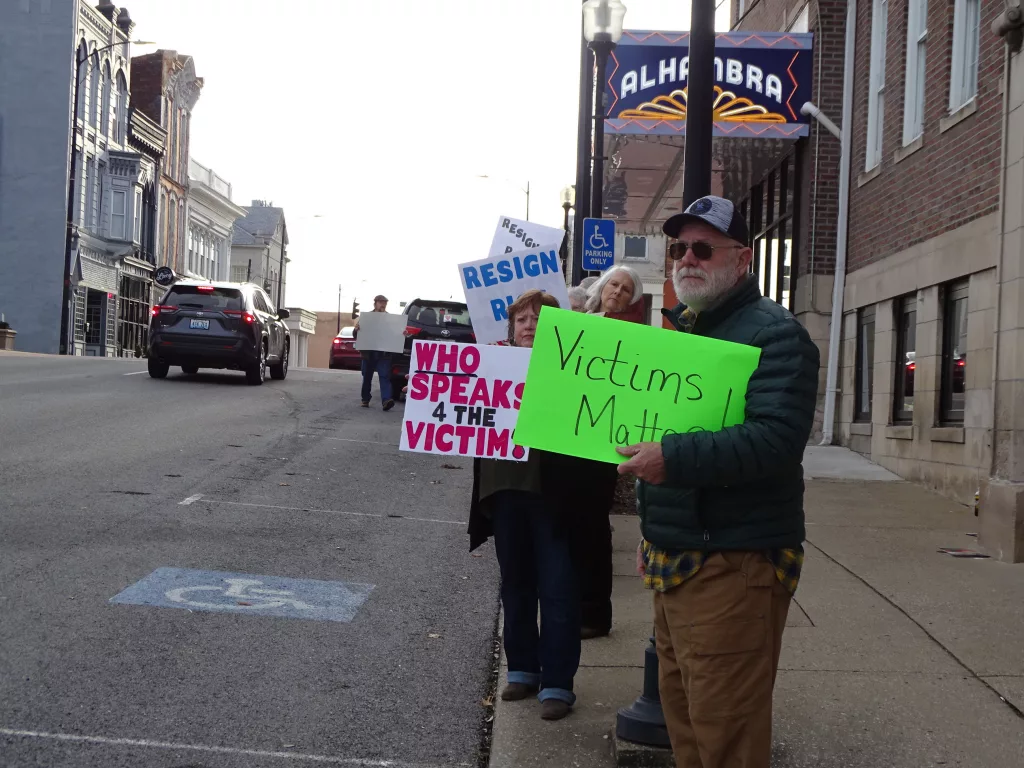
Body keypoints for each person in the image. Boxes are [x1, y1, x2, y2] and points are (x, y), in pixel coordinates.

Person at [616, 195, 820, 768]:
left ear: (743, 260)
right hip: (680, 554)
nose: (687, 259)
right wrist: (653, 525)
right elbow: (664, 435)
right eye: (678, 248)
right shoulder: (688, 333)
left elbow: (774, 442)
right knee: (687, 726)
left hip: (734, 562)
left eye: (703, 248)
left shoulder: (776, 336)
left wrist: (671, 462)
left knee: (725, 736)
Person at [467, 289, 605, 721]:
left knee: (559, 588)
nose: (528, 325)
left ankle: (558, 684)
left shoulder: (573, 369)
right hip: (503, 490)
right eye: (522, 319)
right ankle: (522, 670)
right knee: (516, 584)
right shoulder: (492, 363)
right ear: (511, 326)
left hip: (555, 496)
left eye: (538, 318)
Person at [564, 263, 645, 639]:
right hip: (568, 436)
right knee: (570, 526)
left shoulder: (634, 333)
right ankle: (571, 606)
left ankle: (596, 615)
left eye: (627, 289)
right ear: (603, 285)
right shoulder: (577, 321)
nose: (618, 292)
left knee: (593, 527)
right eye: (615, 284)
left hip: (602, 438)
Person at [353, 294, 395, 411]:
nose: (383, 304)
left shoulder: (391, 319)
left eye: (385, 302)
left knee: (384, 376)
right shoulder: (367, 317)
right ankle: (365, 399)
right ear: (375, 303)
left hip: (383, 353)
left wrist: (402, 334)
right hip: (368, 353)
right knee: (367, 376)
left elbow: (395, 334)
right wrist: (356, 330)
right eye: (381, 302)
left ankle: (386, 400)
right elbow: (356, 334)